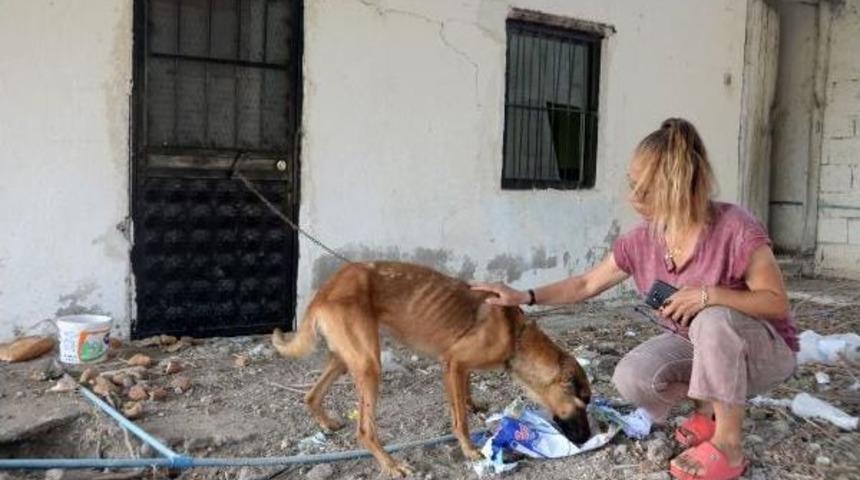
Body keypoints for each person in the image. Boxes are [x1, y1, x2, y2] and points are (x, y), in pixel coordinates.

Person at [472, 118, 798, 480]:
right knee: (634, 376)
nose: (634, 198)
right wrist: (524, 295)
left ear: (680, 187)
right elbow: (585, 284)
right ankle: (708, 413)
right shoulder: (643, 242)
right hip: (702, 345)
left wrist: (710, 295)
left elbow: (776, 303)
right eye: (632, 185)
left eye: (647, 190)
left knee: (712, 318)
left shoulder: (735, 227)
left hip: (763, 350)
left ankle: (729, 446)